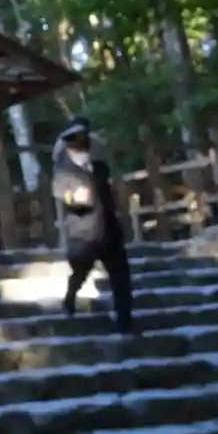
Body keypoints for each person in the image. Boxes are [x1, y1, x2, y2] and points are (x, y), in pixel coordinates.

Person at [51, 117, 134, 334]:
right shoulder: (63, 169)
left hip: (109, 227)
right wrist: (75, 197)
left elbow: (113, 190)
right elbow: (62, 194)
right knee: (81, 271)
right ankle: (71, 295)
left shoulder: (100, 166)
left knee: (121, 277)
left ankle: (125, 321)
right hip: (84, 232)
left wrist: (120, 212)